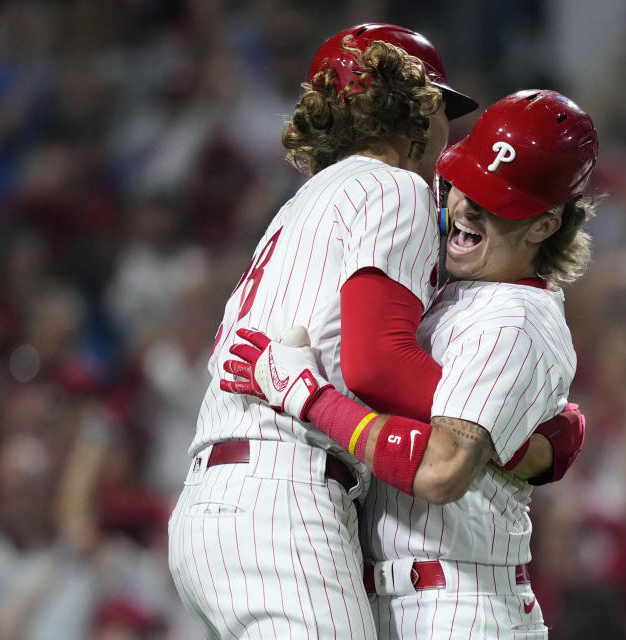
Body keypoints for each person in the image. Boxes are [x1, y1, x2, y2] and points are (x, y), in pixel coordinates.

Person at [220, 90, 598, 639]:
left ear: (544, 225)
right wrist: (529, 447)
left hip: (462, 607)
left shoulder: (515, 315)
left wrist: (307, 396)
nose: (467, 204)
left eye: (498, 200)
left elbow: (442, 470)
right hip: (405, 600)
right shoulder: (456, 292)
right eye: (467, 181)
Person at [167, 23, 478, 640]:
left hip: (224, 500)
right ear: (410, 107)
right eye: (441, 106)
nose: (448, 128)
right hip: (282, 498)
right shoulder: (394, 186)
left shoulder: (307, 201)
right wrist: (494, 416)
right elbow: (377, 361)